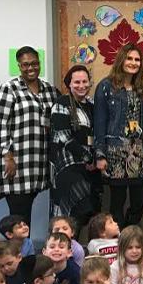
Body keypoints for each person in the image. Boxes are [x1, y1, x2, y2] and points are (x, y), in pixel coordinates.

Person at [0, 46, 59, 228]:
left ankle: (22, 251)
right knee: (19, 215)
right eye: (26, 64)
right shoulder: (9, 89)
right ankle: (18, 253)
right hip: (17, 162)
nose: (31, 68)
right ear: (19, 66)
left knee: (25, 211)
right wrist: (8, 156)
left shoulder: (49, 90)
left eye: (34, 63)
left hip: (38, 162)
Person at [94, 44, 143, 229]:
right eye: (129, 58)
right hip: (115, 152)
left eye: (137, 60)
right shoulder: (106, 86)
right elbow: (100, 122)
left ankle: (130, 234)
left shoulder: (140, 87)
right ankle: (118, 241)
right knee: (117, 203)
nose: (133, 63)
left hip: (138, 152)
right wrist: (100, 154)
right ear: (121, 60)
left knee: (139, 202)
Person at [50, 65, 102, 228]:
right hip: (68, 167)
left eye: (85, 81)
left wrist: (95, 158)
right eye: (77, 82)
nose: (81, 86)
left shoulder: (93, 105)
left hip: (90, 168)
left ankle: (79, 251)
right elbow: (63, 136)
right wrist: (87, 157)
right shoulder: (62, 103)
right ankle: (64, 249)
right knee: (72, 214)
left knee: (89, 214)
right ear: (69, 84)